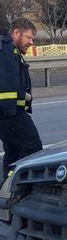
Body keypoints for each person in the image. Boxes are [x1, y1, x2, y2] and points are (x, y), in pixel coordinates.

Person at [0, 18, 42, 179]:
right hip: (10, 114)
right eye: (28, 37)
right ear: (16, 33)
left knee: (13, 152)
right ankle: (23, 189)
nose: (31, 42)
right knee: (33, 147)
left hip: (8, 113)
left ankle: (8, 187)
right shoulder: (6, 51)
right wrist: (22, 96)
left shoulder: (10, 50)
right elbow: (6, 87)